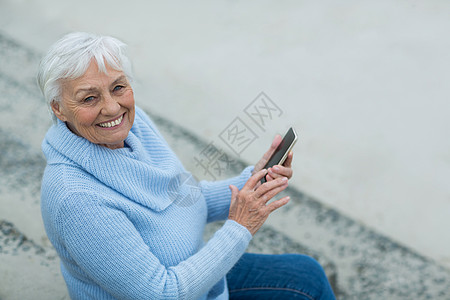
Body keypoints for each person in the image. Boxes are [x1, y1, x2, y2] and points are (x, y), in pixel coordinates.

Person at [38, 32, 336, 300]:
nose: (113, 108)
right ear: (58, 108)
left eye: (118, 87)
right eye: (89, 97)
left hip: (194, 271)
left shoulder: (132, 124)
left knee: (305, 275)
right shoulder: (75, 199)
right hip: (175, 290)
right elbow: (162, 294)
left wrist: (252, 182)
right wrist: (240, 226)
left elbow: (183, 196)